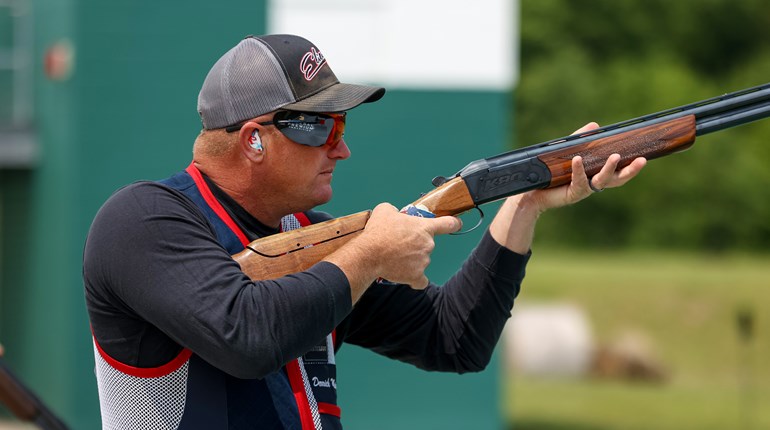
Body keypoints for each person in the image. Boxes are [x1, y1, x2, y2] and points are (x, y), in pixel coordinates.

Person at [83, 34, 646, 430]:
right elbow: (245, 336)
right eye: (321, 129)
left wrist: (523, 204)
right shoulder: (145, 222)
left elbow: (454, 339)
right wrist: (370, 256)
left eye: (342, 127)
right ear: (253, 139)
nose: (342, 148)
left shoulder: (311, 239)